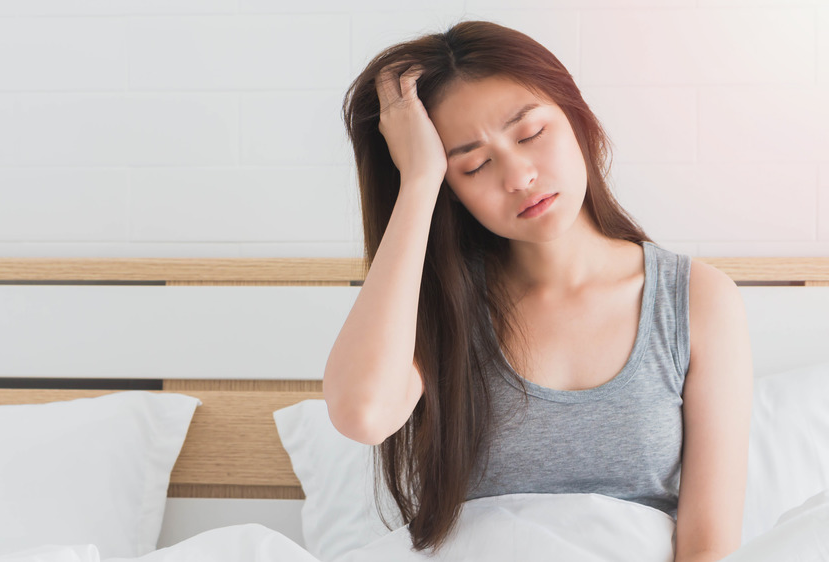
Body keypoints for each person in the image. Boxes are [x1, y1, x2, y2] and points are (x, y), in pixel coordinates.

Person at [321, 19, 753, 562]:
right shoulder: (448, 305)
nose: (519, 175)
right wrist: (418, 183)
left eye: (530, 134)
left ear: (576, 117)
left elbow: (708, 544)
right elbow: (363, 414)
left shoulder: (695, 299)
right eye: (474, 165)